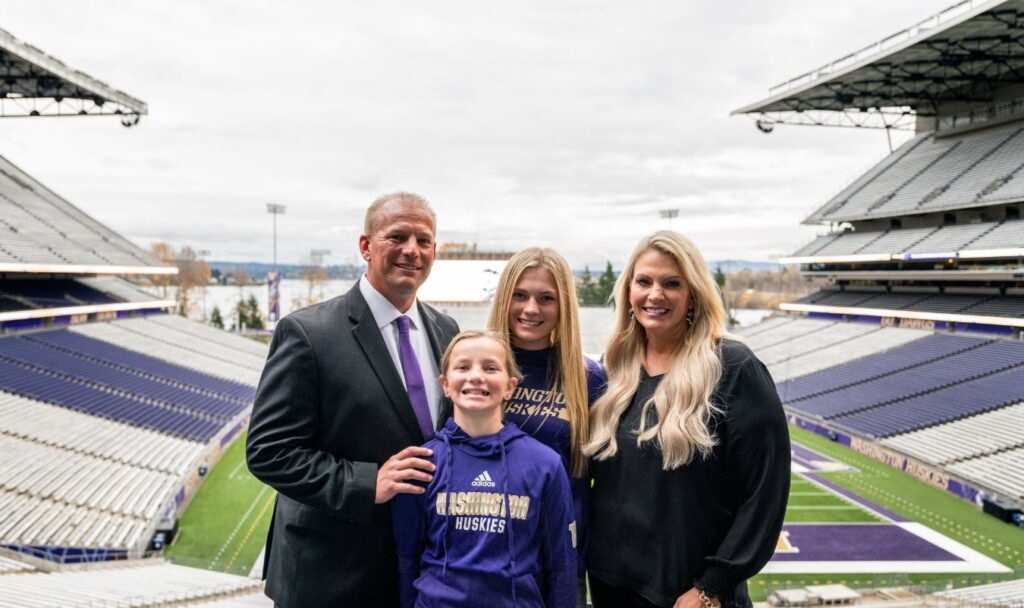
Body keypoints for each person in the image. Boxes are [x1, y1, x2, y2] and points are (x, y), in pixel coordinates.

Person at [246, 192, 460, 607]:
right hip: (331, 575)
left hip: (420, 568)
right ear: (365, 246)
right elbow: (268, 451)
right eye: (397, 236)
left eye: (424, 240)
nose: (412, 250)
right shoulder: (309, 333)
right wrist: (365, 484)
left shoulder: (446, 329)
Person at [584, 231, 790, 608]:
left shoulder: (733, 368)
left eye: (672, 283)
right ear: (628, 292)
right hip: (610, 586)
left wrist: (711, 587)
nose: (655, 294)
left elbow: (765, 493)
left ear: (693, 294)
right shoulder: (614, 369)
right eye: (644, 281)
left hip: (689, 596)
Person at [392, 330, 577, 608]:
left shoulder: (545, 464)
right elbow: (407, 561)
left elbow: (562, 564)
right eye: (463, 367)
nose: (476, 376)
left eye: (490, 368)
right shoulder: (422, 463)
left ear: (510, 387)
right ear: (445, 384)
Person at [486, 247, 606, 606]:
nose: (531, 309)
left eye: (546, 298)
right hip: (487, 556)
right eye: (520, 295)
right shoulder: (480, 369)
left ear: (563, 305)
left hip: (559, 560)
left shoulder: (589, 378)